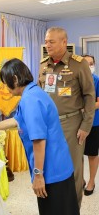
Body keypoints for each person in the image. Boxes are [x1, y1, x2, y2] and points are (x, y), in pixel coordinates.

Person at [0, 58, 79, 215]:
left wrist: (38, 175)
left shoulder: (29, 100)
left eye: (5, 82)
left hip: (51, 171)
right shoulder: (33, 92)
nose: (5, 87)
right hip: (60, 165)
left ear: (15, 79)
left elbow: (39, 140)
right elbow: (17, 120)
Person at [38, 27, 95, 207]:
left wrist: (86, 126)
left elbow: (89, 95)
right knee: (50, 165)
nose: (47, 45)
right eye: (46, 41)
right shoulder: (44, 64)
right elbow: (39, 94)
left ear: (64, 42)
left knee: (73, 170)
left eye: (51, 42)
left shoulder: (79, 64)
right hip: (48, 124)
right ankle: (55, 205)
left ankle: (73, 208)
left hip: (71, 124)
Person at [82, 55, 99, 196]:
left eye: (91, 63)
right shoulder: (75, 80)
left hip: (94, 122)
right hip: (77, 123)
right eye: (86, 63)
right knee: (77, 154)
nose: (89, 66)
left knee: (92, 154)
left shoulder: (97, 80)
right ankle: (80, 180)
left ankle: (91, 181)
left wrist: (85, 107)